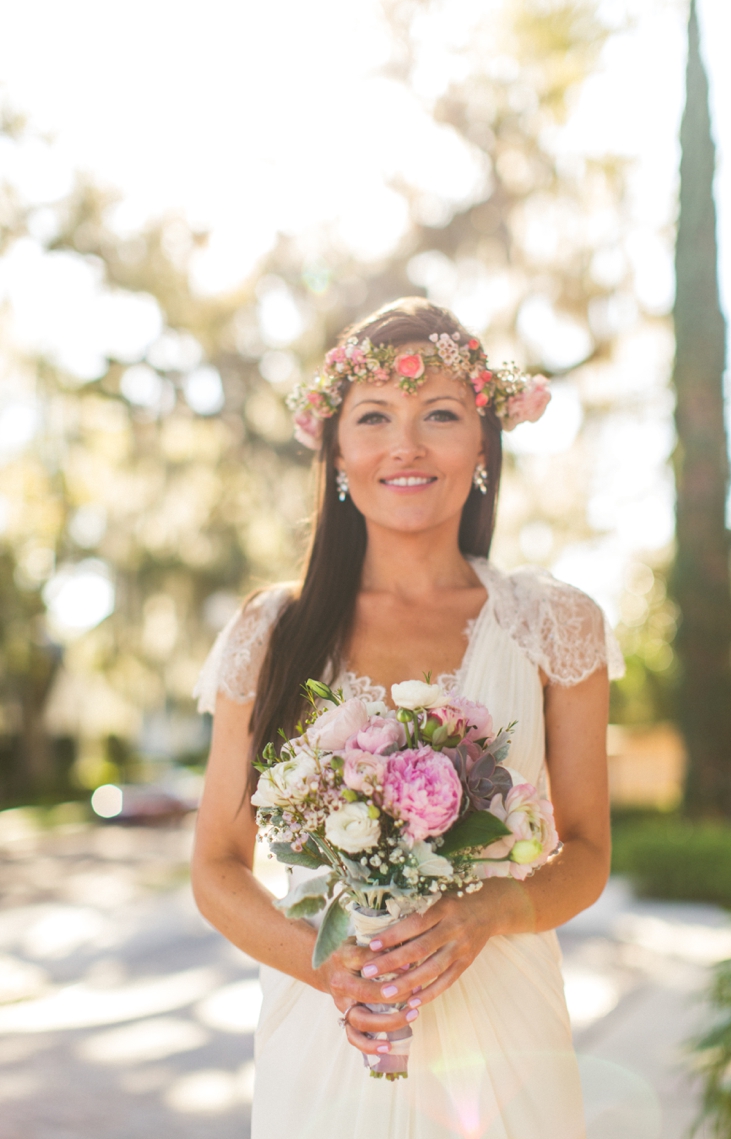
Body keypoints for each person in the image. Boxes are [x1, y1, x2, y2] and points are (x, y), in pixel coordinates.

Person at [191, 297, 624, 1139]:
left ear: (484, 443)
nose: (407, 445)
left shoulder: (557, 624)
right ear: (338, 449)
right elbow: (215, 864)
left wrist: (489, 910)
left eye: (440, 415)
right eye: (376, 415)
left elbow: (592, 850)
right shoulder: (271, 633)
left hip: (506, 1035)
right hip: (326, 1035)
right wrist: (335, 971)